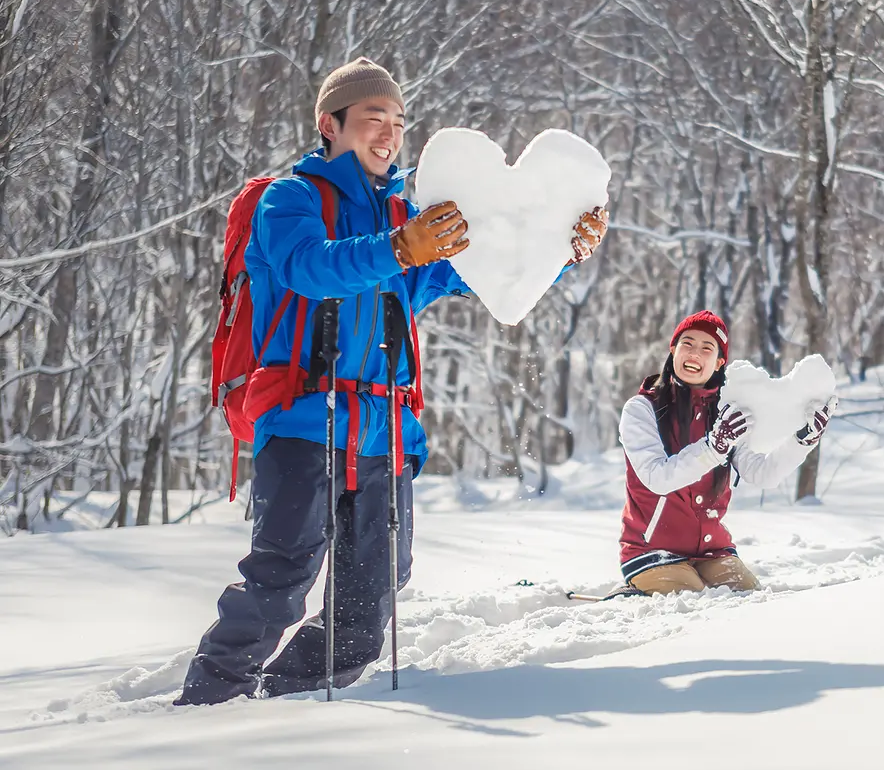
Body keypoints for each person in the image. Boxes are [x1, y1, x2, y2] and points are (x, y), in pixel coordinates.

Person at [178, 58, 607, 705]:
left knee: (371, 598)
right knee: (281, 582)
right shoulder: (291, 199)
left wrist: (559, 249)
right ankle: (202, 707)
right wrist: (401, 246)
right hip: (302, 423)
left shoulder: (407, 215)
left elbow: (470, 275)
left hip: (384, 435)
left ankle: (284, 708)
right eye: (373, 117)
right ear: (330, 123)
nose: (389, 132)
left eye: (399, 120)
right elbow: (309, 268)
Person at [618, 311, 834, 593]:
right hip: (651, 551)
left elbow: (761, 474)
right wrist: (713, 447)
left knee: (749, 599)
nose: (695, 354)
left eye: (707, 348)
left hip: (712, 551)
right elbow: (656, 477)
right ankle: (634, 594)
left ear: (719, 362)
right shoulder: (641, 409)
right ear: (673, 350)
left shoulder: (725, 413)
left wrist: (803, 441)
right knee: (696, 606)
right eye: (687, 344)